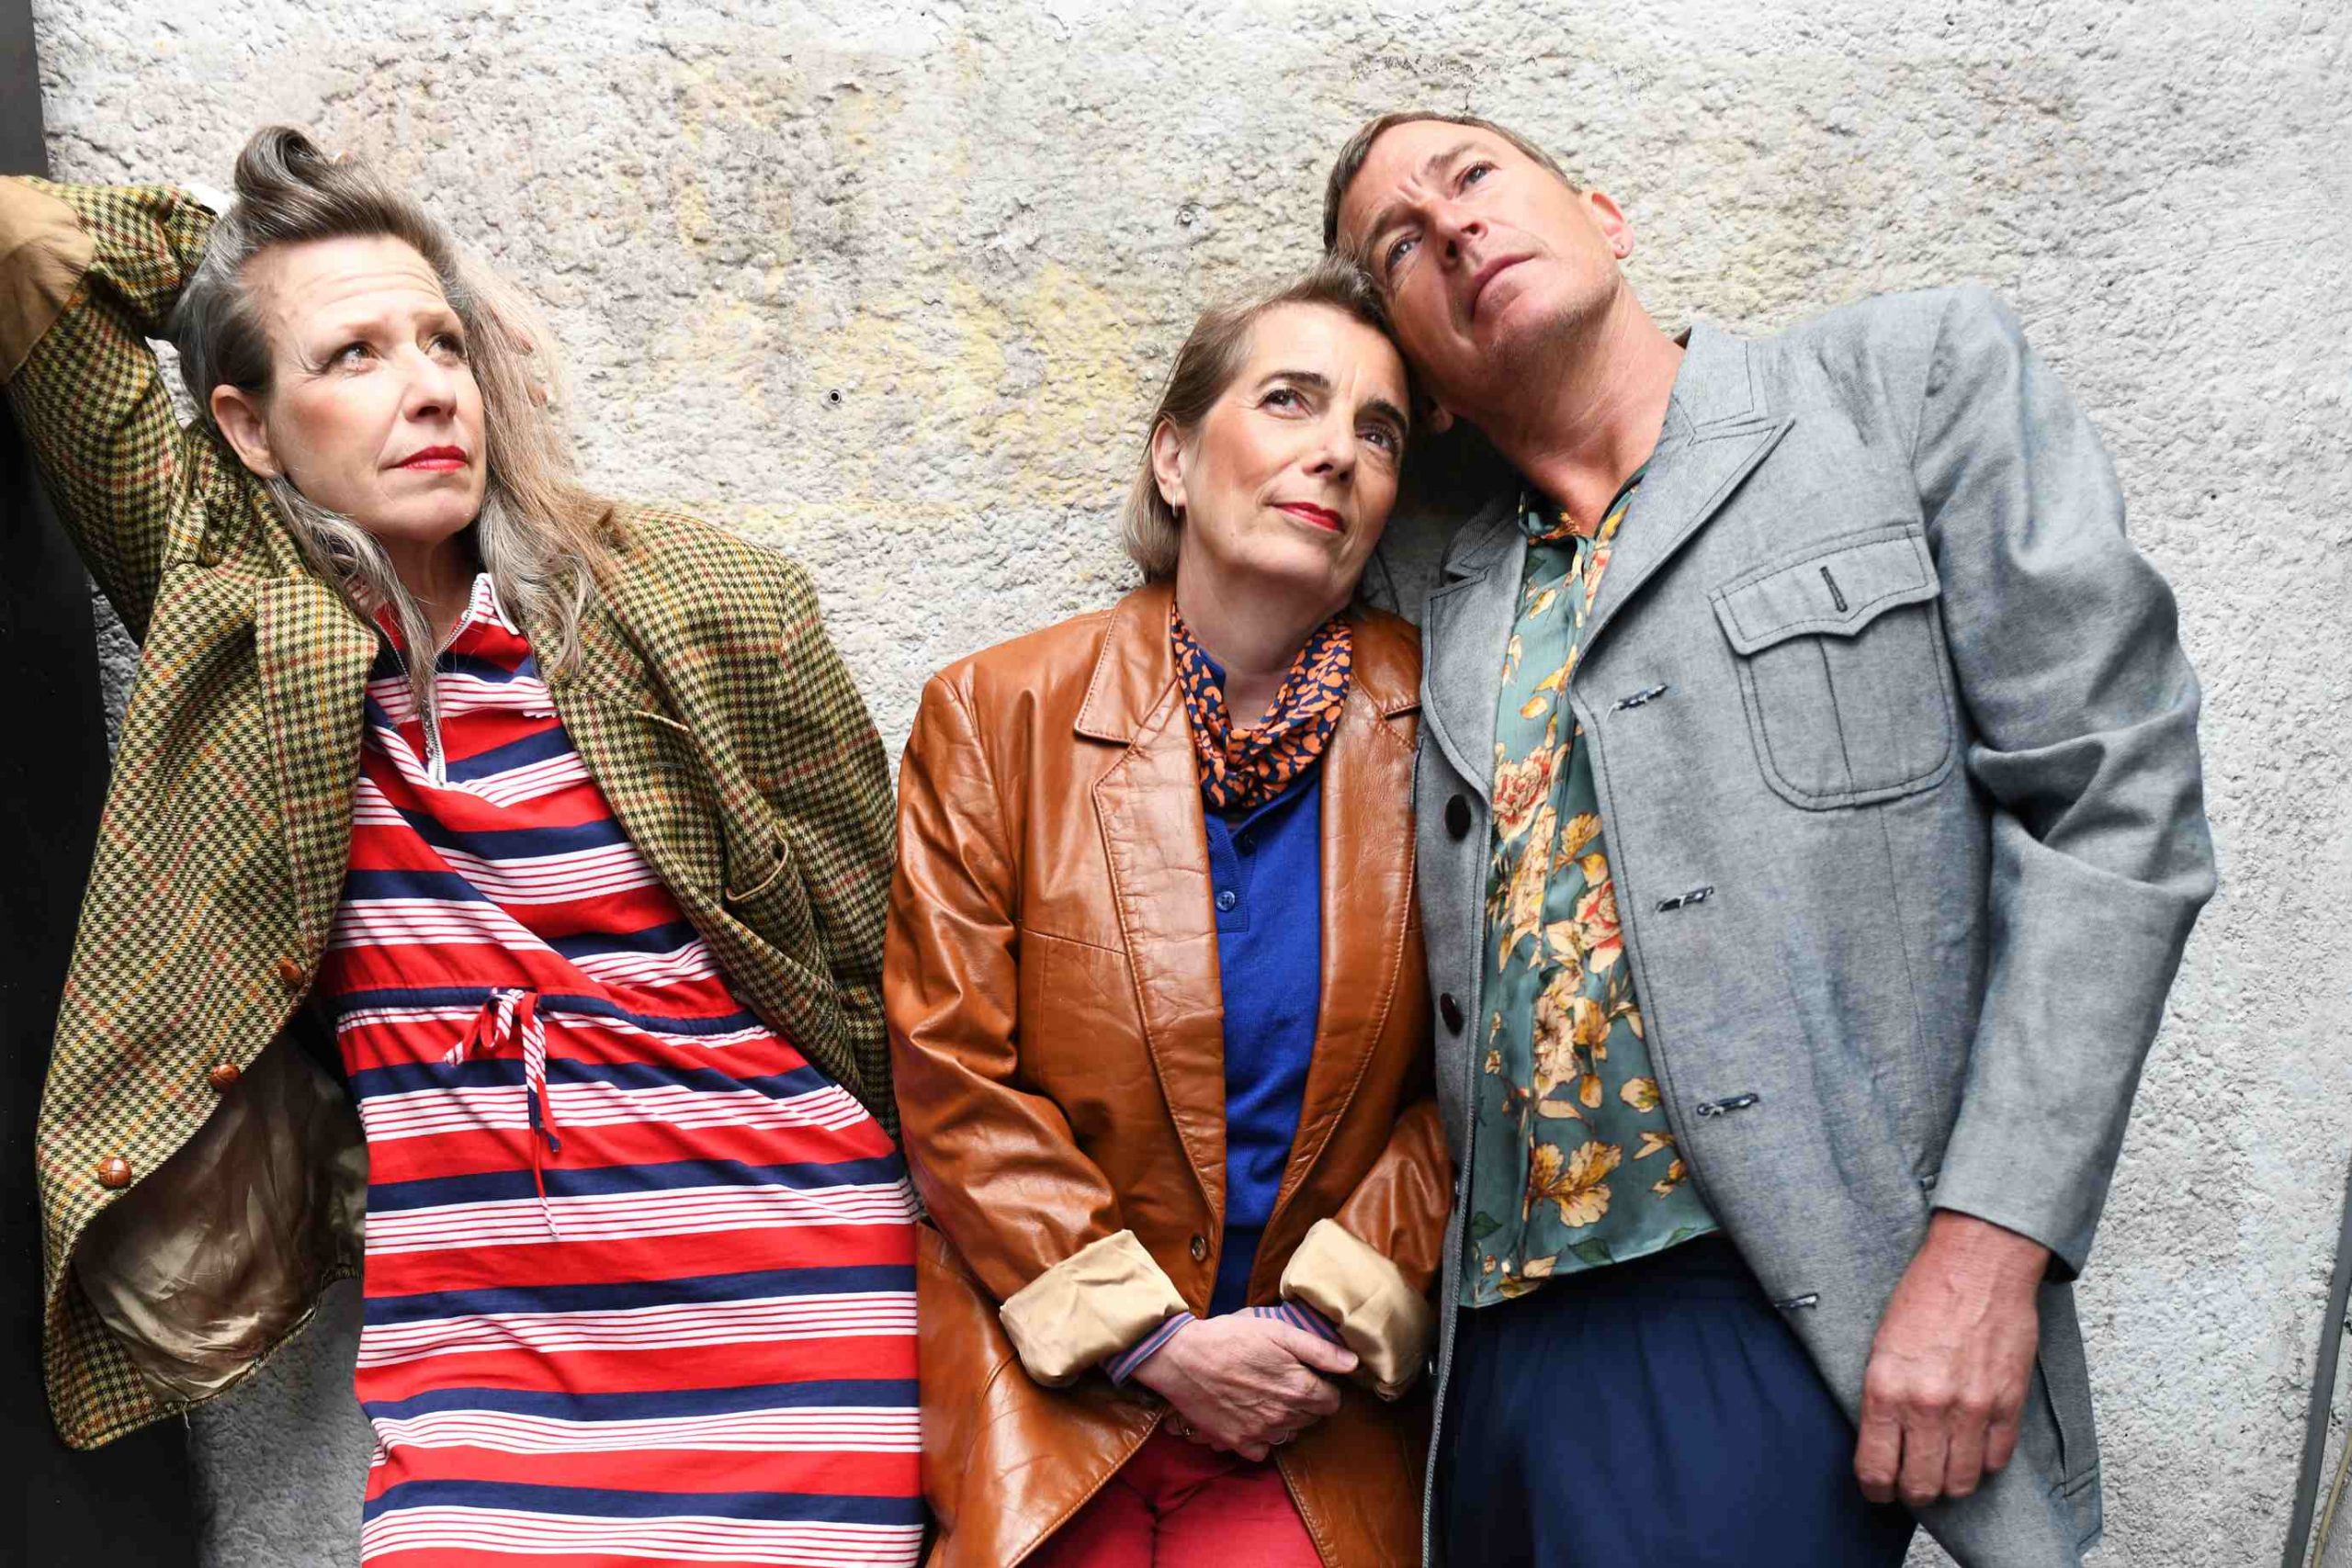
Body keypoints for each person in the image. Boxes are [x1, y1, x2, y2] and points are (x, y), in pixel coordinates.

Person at [4, 128, 922, 1563]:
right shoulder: (238, 624)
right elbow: (23, 245)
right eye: (353, 357)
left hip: (796, 1327)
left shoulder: (699, 603)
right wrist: (237, 266)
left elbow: (891, 978)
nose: (430, 386)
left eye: (447, 342)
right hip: (480, 1378)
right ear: (248, 428)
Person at [1321, 111, 2216, 1567]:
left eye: (1473, 177)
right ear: (1422, 391)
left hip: (1770, 1303)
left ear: (1605, 215)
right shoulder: (1449, 590)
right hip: (1493, 1361)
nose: (1456, 227)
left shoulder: (1904, 388)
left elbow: (2118, 803)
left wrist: (1993, 1244)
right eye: (1401, 245)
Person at [886, 261, 1450, 1567]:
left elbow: (1489, 1066)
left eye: (1378, 431)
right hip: (1054, 1399)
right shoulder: (997, 714)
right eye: (1290, 399)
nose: (1338, 452)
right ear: (1176, 459)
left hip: (1313, 1411)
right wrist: (1152, 1339)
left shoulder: (1451, 726)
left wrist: (1316, 1325)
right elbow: (950, 1071)